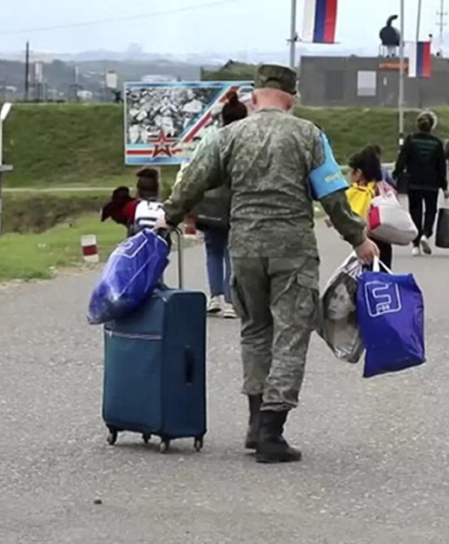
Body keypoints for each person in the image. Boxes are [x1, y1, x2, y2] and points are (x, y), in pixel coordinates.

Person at [158, 64, 379, 464]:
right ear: (291, 99)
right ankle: (272, 433)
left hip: (243, 249)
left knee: (254, 330)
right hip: (291, 248)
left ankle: (254, 421)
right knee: (291, 334)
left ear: (255, 97)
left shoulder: (229, 135)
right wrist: (358, 239)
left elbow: (192, 179)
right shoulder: (309, 135)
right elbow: (332, 195)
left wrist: (168, 218)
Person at [176, 91, 249, 319]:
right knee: (232, 251)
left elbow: (194, 168)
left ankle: (215, 297)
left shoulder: (210, 139)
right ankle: (231, 300)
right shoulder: (248, 141)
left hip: (209, 203)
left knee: (213, 249)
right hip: (237, 202)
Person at [394, 111, 449, 256]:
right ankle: (426, 234)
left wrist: (396, 176)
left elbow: (402, 160)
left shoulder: (411, 140)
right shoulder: (437, 143)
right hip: (432, 183)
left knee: (415, 211)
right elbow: (441, 167)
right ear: (432, 126)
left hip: (414, 182)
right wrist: (444, 186)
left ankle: (416, 244)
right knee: (431, 210)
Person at [345, 145, 394, 269]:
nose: (349, 175)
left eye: (351, 171)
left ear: (359, 173)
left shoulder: (359, 191)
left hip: (367, 242)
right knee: (383, 276)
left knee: (367, 276)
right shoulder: (383, 188)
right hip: (384, 239)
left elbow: (351, 213)